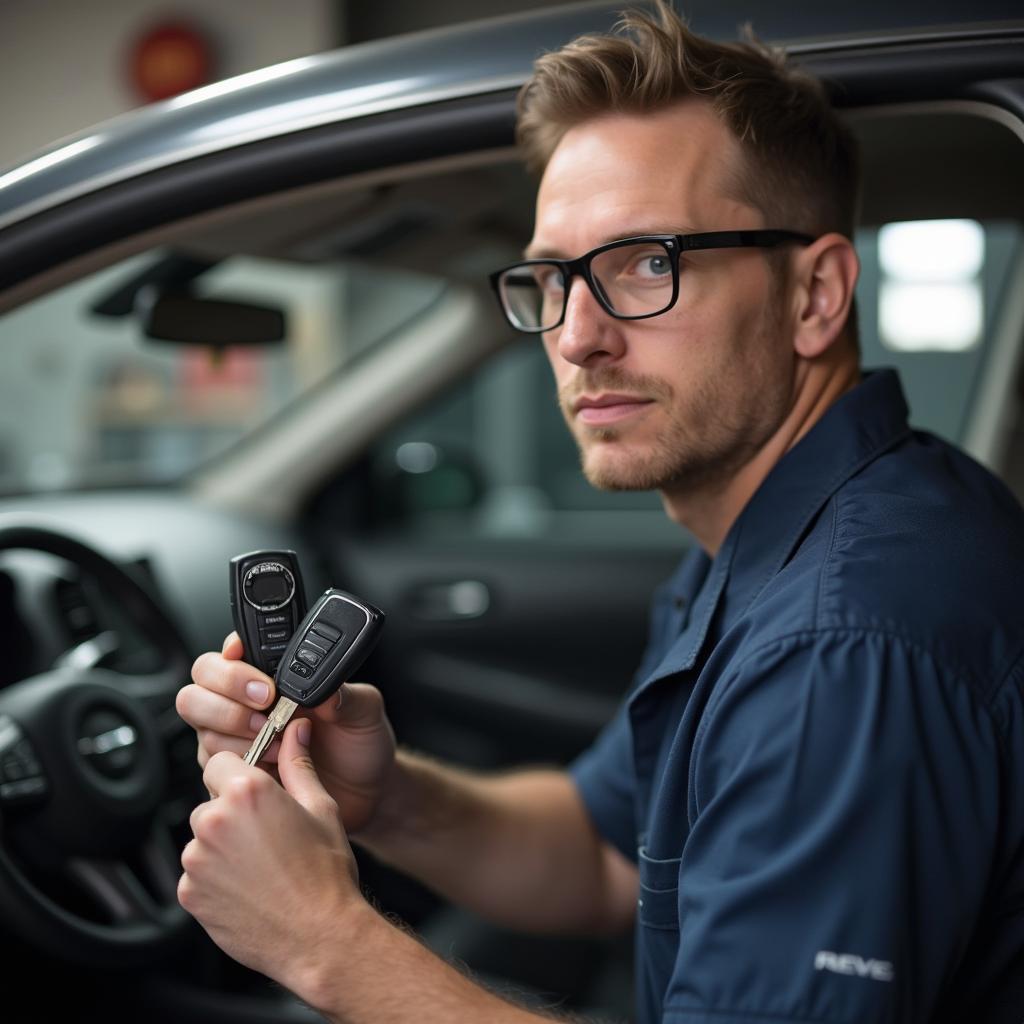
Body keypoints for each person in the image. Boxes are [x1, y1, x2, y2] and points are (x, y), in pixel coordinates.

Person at [175, 4, 1024, 1022]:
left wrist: (323, 940)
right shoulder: (766, 536)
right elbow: (601, 853)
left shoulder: (842, 643)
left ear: (815, 295)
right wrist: (384, 799)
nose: (578, 336)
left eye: (645, 264)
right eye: (551, 277)